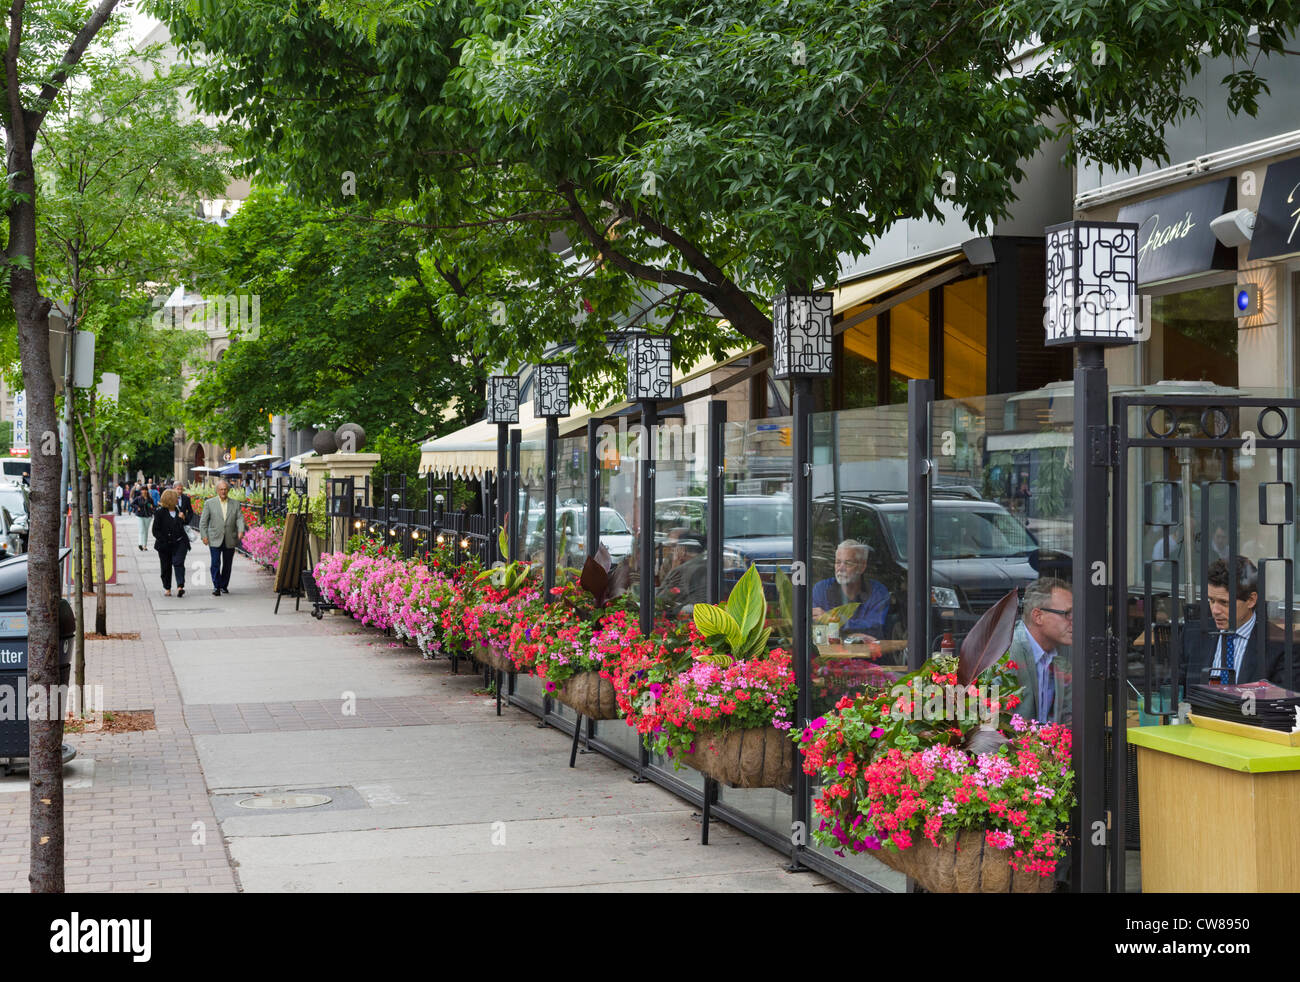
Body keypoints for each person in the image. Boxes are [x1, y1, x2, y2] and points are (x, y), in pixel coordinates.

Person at [1181, 556, 1290, 688]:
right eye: (1211, 600)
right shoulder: (1193, 634)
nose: (1215, 610)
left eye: (1224, 602)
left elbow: (1284, 702)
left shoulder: (1279, 646)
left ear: (1251, 600)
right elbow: (1171, 691)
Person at [1009, 577, 1073, 725]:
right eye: (1067, 614)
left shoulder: (1060, 655)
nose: (1074, 619)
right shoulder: (1007, 653)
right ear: (1038, 617)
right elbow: (991, 720)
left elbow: (1069, 715)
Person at [811, 539, 891, 642]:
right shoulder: (820, 590)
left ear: (862, 567)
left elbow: (874, 629)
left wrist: (831, 619)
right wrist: (851, 631)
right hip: (829, 656)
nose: (841, 568)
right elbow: (814, 629)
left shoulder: (878, 593)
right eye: (838, 562)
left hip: (868, 656)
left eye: (848, 563)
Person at [199, 479, 245, 597]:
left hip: (230, 537)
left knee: (227, 564)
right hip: (214, 537)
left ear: (228, 490)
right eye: (221, 489)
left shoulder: (235, 503)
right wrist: (204, 536)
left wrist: (241, 530)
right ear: (217, 490)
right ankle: (216, 586)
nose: (223, 491)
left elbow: (240, 518)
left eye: (225, 489)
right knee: (215, 562)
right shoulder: (209, 503)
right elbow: (203, 522)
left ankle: (224, 585)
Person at [151, 489, 190, 597]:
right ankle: (167, 588)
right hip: (164, 545)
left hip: (180, 542)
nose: (178, 499)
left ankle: (180, 586)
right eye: (176, 498)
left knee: (178, 562)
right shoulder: (159, 512)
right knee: (166, 567)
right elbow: (155, 530)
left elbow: (185, 524)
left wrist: (183, 518)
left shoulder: (179, 510)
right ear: (170, 499)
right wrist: (164, 540)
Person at [659, 532, 709, 615]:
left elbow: (661, 598)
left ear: (682, 549)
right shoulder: (705, 563)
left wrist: (674, 568)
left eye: (675, 547)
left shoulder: (685, 569)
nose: (673, 550)